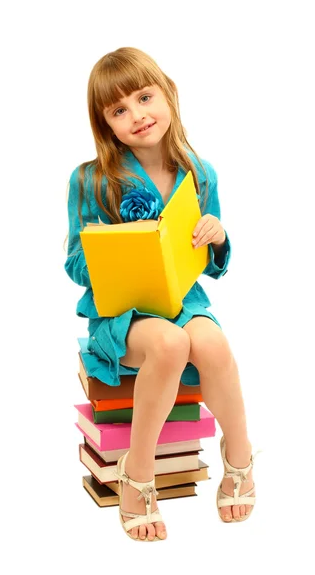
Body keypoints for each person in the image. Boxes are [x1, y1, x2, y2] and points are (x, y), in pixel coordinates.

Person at [65, 47, 258, 542]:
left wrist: (215, 234)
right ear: (105, 123)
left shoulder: (200, 171)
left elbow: (209, 262)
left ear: (168, 94)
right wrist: (116, 247)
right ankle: (139, 472)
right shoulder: (90, 179)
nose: (138, 115)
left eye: (145, 97)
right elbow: (74, 261)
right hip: (123, 310)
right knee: (170, 345)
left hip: (181, 299)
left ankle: (240, 455)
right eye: (119, 110)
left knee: (211, 344)